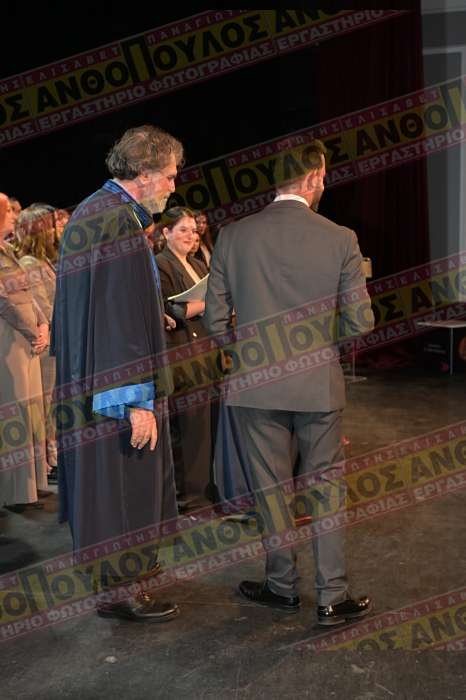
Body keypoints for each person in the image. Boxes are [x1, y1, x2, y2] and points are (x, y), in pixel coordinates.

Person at [204, 140, 375, 627]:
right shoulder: (340, 238)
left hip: (255, 385)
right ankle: (331, 596)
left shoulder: (233, 235)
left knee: (270, 490)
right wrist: (319, 348)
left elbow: (215, 321)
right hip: (318, 386)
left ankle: (280, 587)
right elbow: (360, 322)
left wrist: (251, 353)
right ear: (314, 176)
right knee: (326, 488)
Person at [51, 125, 183, 622]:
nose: (172, 186)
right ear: (144, 173)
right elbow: (118, 318)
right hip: (113, 390)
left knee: (105, 487)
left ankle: (118, 580)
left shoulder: (95, 212)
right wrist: (135, 401)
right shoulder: (117, 222)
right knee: (122, 485)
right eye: (168, 176)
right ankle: (122, 589)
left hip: (89, 379)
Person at [156, 207, 218, 509]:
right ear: (166, 232)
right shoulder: (160, 264)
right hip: (181, 352)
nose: (191, 236)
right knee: (187, 427)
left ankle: (204, 489)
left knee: (205, 427)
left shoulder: (198, 264)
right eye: (183, 230)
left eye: (193, 231)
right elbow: (168, 310)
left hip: (205, 351)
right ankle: (187, 495)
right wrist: (205, 304)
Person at [0, 193, 49, 510]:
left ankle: (31, 486)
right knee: (15, 410)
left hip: (27, 338)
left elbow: (29, 295)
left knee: (31, 411)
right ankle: (15, 491)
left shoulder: (8, 250)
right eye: (8, 211)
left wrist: (43, 325)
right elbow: (4, 301)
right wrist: (34, 331)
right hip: (11, 339)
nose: (14, 216)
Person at [16, 206, 59, 472]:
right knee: (44, 404)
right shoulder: (30, 263)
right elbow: (43, 307)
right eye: (50, 225)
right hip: (45, 343)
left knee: (50, 404)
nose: (55, 231)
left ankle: (49, 458)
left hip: (53, 340)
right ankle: (45, 461)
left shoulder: (44, 261)